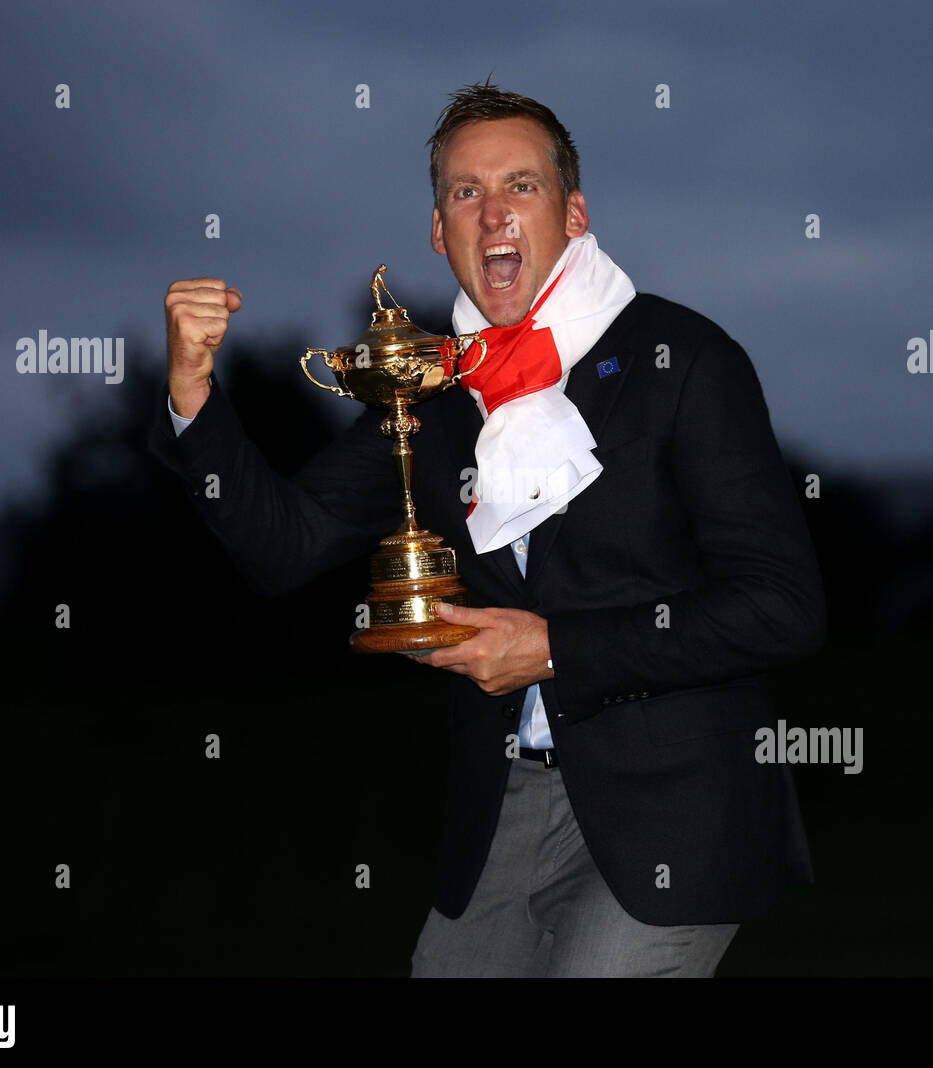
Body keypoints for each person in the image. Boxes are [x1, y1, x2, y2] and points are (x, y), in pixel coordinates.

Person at [149, 83, 826, 977]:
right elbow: (286, 546)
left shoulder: (685, 361)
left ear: (575, 212)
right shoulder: (433, 392)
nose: (493, 212)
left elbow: (783, 608)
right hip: (503, 811)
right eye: (466, 193)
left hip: (677, 809)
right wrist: (193, 396)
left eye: (522, 186)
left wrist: (557, 651)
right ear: (439, 230)